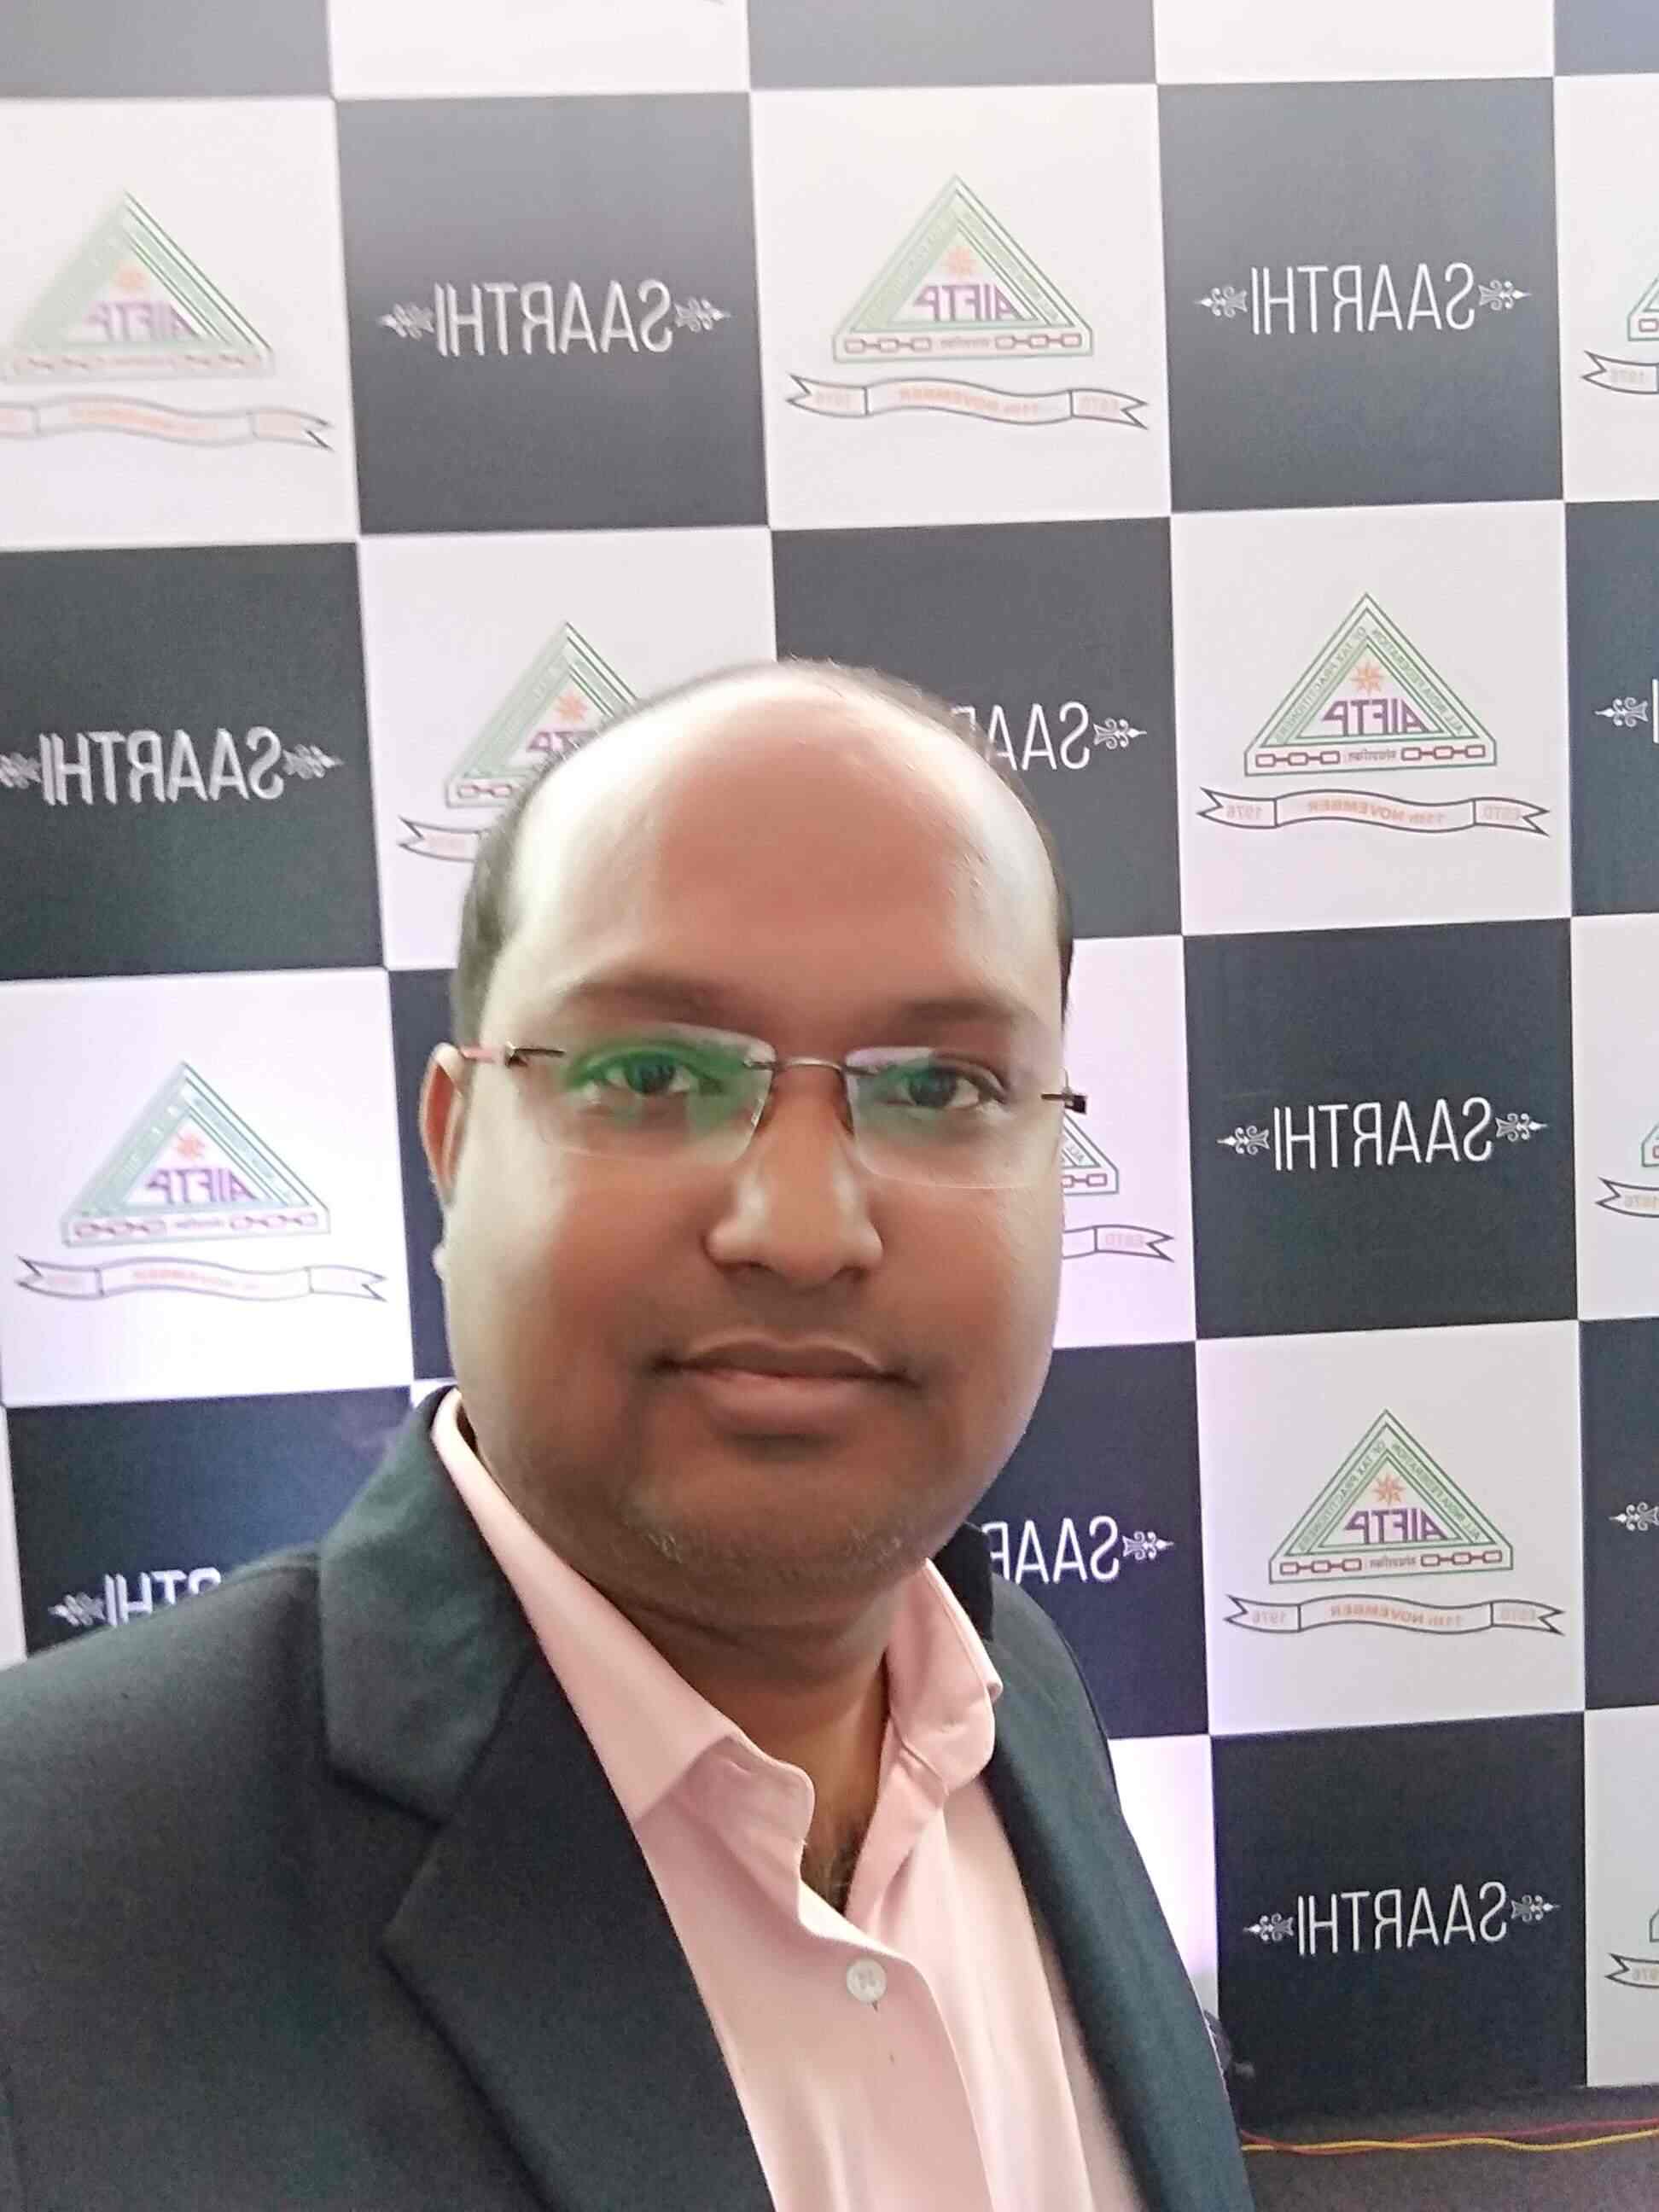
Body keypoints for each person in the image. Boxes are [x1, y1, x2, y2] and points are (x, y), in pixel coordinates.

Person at [0, 662, 1252, 2211]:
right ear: (455, 1145)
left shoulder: (1020, 1701)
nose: (802, 1229)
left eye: (943, 1085)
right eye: (654, 1076)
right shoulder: (47, 1886)